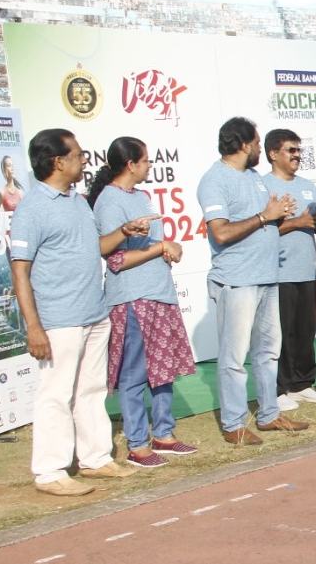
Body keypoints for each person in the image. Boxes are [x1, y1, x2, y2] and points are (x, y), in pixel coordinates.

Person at [12, 129, 138, 495]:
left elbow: (95, 247)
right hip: (58, 318)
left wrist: (124, 231)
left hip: (93, 313)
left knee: (91, 389)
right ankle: (50, 473)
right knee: (55, 393)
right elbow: (20, 269)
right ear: (58, 161)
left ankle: (96, 459)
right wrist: (33, 326)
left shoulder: (78, 201)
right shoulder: (31, 209)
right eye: (79, 155)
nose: (85, 160)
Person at [88, 137, 199, 468]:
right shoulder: (109, 202)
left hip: (158, 291)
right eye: (146, 160)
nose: (150, 165)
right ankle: (137, 443)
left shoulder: (143, 196)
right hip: (132, 297)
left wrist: (168, 246)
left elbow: (152, 242)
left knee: (163, 369)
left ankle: (163, 433)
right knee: (134, 373)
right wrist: (161, 247)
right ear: (131, 164)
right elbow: (115, 258)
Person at [198, 117, 308, 445]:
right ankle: (233, 423)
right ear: (244, 145)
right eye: (258, 143)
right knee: (234, 358)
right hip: (237, 282)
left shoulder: (253, 178)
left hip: (267, 278)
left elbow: (265, 222)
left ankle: (269, 414)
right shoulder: (214, 180)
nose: (260, 148)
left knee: (268, 352)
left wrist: (278, 214)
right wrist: (265, 216)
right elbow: (220, 232)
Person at [262, 130, 316, 412]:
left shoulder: (307, 186)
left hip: (306, 269)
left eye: (298, 150)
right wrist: (299, 222)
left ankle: (302, 384)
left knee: (304, 331)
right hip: (278, 272)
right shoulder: (263, 186)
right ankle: (278, 389)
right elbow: (263, 229)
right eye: (290, 150)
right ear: (272, 154)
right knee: (281, 334)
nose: (296, 155)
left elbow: (313, 222)